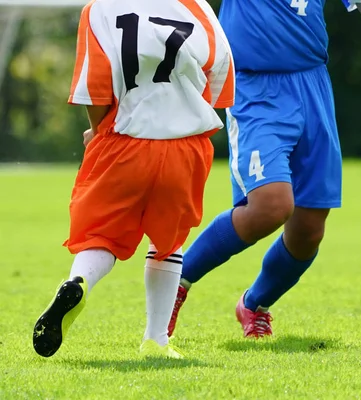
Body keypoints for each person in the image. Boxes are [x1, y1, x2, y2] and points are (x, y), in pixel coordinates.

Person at [168, 0, 361, 338]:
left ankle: (254, 305)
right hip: (256, 90)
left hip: (313, 88)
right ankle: (174, 285)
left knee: (309, 230)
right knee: (271, 206)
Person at [32, 0, 234, 358]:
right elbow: (219, 79)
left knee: (100, 235)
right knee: (169, 242)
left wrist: (98, 133)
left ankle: (79, 282)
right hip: (184, 148)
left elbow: (93, 88)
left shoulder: (99, 9)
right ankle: (157, 340)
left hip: (124, 142)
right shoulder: (198, 7)